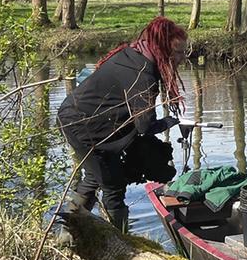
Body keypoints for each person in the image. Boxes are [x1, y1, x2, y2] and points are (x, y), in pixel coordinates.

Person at [58, 16, 188, 229]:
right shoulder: (142, 73)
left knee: (94, 176)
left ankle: (68, 235)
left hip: (84, 118)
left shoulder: (134, 53)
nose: (183, 57)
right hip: (83, 124)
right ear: (164, 50)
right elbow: (144, 126)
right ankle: (122, 243)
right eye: (179, 52)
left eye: (185, 51)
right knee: (113, 184)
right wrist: (169, 121)